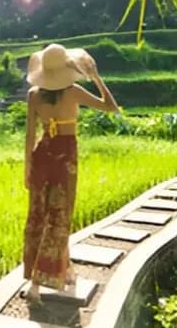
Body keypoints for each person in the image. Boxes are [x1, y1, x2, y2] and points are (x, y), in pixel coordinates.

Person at [22, 43, 120, 302]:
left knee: (38, 215)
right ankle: (36, 284)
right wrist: (96, 77)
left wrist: (27, 169)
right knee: (59, 216)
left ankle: (66, 272)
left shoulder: (33, 95)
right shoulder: (73, 92)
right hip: (65, 157)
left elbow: (30, 135)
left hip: (42, 155)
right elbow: (111, 107)